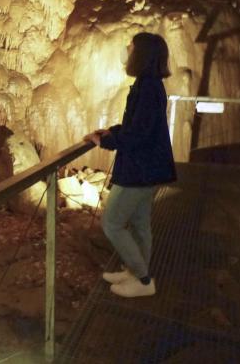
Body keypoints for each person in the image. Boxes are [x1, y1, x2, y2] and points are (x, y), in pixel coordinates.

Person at [84, 32, 177, 298]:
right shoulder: (148, 84)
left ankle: (144, 281)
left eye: (131, 46)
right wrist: (110, 131)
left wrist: (106, 142)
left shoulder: (147, 88)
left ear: (142, 54)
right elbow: (137, 125)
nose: (126, 50)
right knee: (139, 224)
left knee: (112, 222)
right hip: (146, 168)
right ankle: (135, 271)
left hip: (139, 169)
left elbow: (138, 135)